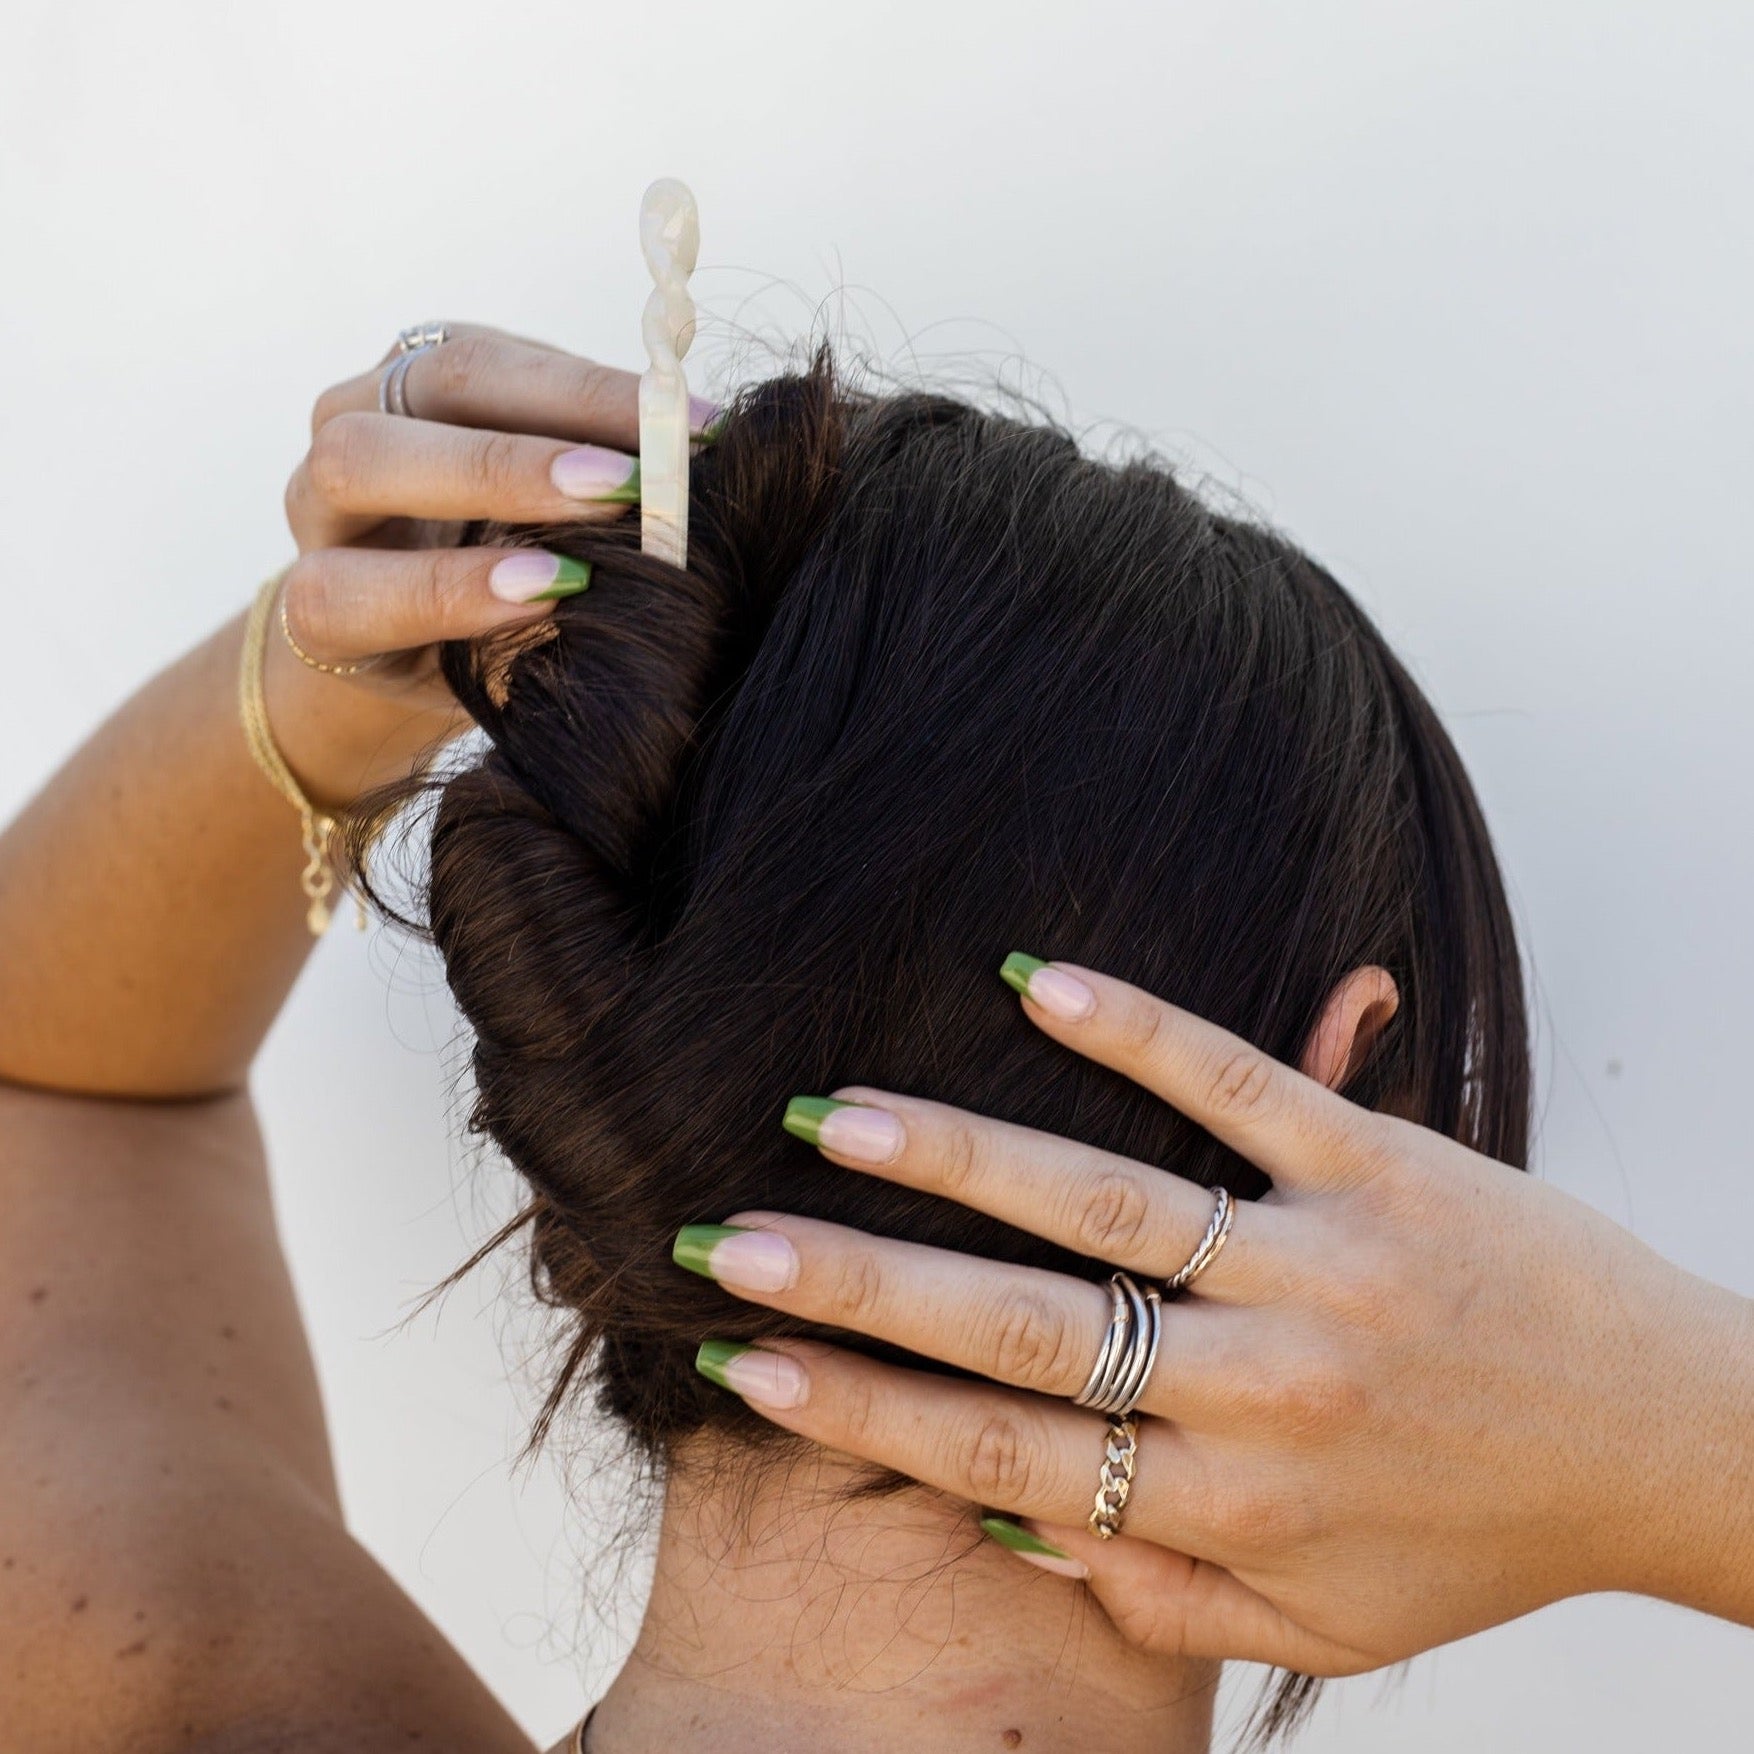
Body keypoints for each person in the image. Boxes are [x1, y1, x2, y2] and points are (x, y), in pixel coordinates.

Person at [0, 326, 1747, 1754]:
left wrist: (321, 677)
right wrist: (1663, 1434)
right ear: (1342, 1080)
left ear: (615, 1030)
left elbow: (60, 1083)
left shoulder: (171, 1690)